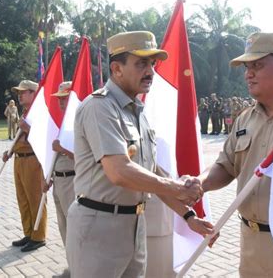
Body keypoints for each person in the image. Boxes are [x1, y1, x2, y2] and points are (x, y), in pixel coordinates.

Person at [66, 31, 214, 278]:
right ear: (117, 68)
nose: (150, 71)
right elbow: (120, 171)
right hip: (99, 227)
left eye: (152, 64)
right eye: (141, 63)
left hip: (134, 225)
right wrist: (177, 187)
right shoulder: (100, 107)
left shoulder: (137, 112)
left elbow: (150, 174)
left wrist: (188, 216)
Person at [199, 32, 273, 278]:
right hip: (251, 243)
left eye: (257, 66)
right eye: (247, 67)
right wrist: (200, 183)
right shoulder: (245, 118)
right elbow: (226, 166)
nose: (248, 74)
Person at [2, 80, 47, 252]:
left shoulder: (41, 113)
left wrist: (28, 128)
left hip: (33, 161)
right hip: (19, 160)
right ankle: (29, 233)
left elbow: (44, 138)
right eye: (18, 92)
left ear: (34, 93)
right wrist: (10, 150)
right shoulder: (26, 112)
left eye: (23, 92)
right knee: (23, 199)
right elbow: (20, 139)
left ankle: (39, 236)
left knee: (35, 199)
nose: (19, 95)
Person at [44, 81, 76, 278]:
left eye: (64, 99)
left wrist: (63, 148)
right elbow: (51, 152)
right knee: (64, 228)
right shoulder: (60, 123)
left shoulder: (77, 122)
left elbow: (88, 157)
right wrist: (46, 177)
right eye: (59, 99)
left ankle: (79, 269)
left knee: (75, 230)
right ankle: (73, 267)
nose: (61, 103)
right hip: (58, 180)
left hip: (73, 181)